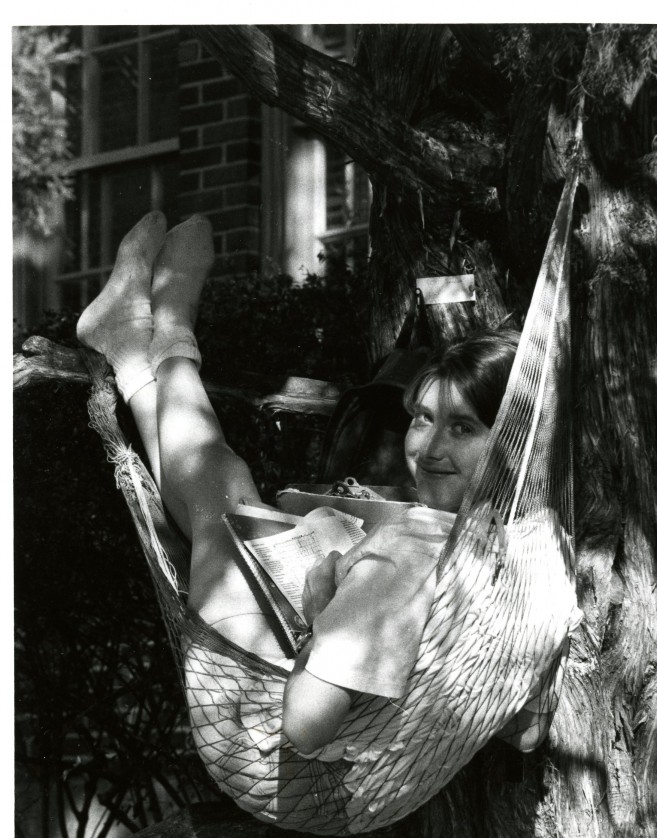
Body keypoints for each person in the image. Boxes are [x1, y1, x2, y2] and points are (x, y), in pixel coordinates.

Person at [77, 212, 519, 758]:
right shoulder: (529, 547)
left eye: (462, 427)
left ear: (513, 438)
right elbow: (524, 731)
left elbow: (306, 725)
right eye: (423, 418)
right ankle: (130, 350)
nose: (427, 449)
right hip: (358, 753)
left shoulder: (413, 549)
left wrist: (326, 613)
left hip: (253, 731)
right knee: (217, 507)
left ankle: (169, 328)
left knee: (224, 494)